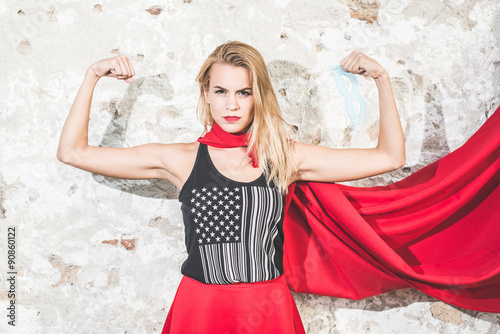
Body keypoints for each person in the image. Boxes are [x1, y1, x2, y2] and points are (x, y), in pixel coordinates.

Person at [57, 41, 405, 333]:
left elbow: (390, 157)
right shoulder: (182, 159)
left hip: (267, 308)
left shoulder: (284, 157)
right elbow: (73, 152)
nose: (232, 104)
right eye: (221, 91)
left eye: (244, 92)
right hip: (201, 308)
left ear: (258, 97)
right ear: (206, 94)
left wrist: (382, 79)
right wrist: (92, 76)